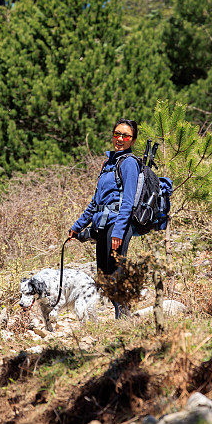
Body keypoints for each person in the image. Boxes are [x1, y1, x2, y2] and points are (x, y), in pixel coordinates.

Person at [69, 118, 140, 319]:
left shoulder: (129, 164)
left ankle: (124, 319)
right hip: (102, 224)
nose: (120, 138)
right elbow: (96, 200)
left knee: (116, 271)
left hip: (118, 224)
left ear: (132, 141)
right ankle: (121, 316)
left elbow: (128, 200)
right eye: (117, 134)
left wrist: (118, 230)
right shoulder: (108, 163)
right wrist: (77, 226)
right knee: (104, 274)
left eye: (126, 136)